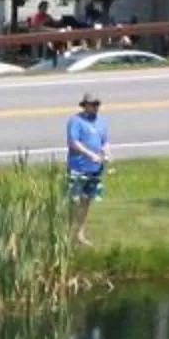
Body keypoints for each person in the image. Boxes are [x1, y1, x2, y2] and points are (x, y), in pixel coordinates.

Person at [65, 92, 109, 245]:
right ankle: (68, 232)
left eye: (97, 104)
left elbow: (104, 141)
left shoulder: (101, 122)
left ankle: (79, 233)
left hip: (95, 168)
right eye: (93, 104)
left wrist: (106, 152)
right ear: (85, 105)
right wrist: (90, 154)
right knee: (75, 200)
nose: (96, 107)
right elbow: (73, 142)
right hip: (79, 166)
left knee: (87, 200)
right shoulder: (76, 121)